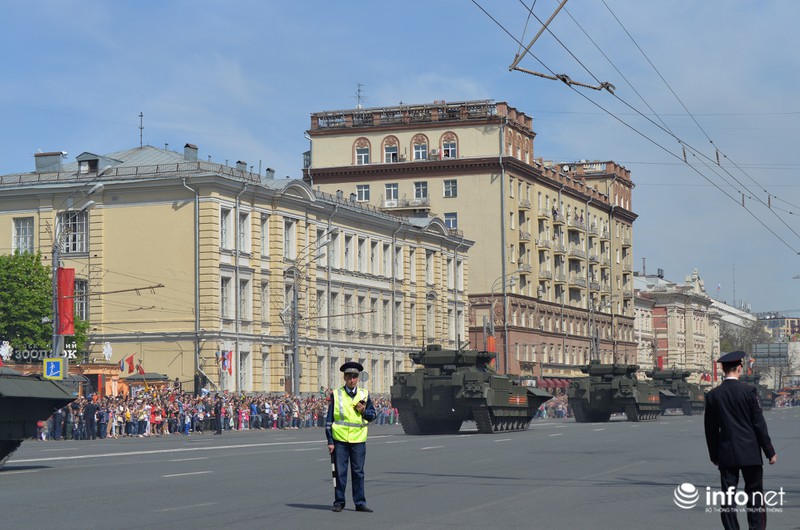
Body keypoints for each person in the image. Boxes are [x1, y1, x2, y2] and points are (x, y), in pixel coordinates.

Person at [704, 350, 777, 530]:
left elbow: (710, 430)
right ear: (739, 368)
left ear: (723, 369)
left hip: (726, 453)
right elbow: (759, 424)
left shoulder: (713, 395)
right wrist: (769, 451)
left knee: (728, 499)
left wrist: (714, 455)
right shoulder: (749, 391)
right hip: (750, 453)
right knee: (755, 496)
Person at [326, 361, 376, 513]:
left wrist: (363, 412)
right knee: (340, 473)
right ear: (344, 378)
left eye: (354, 376)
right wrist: (330, 441)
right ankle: (339, 502)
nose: (352, 379)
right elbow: (329, 420)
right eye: (349, 376)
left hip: (358, 440)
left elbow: (372, 415)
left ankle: (360, 502)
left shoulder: (364, 395)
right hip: (339, 440)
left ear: (358, 378)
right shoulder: (336, 394)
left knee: (358, 473)